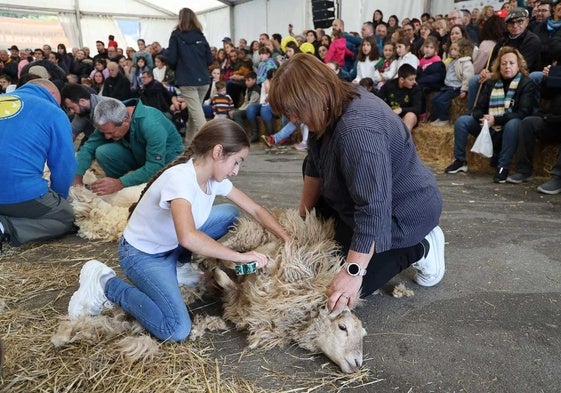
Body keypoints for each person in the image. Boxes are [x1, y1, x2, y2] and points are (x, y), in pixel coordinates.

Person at [67, 118, 290, 341]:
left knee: (229, 213)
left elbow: (255, 209)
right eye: (236, 162)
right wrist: (239, 257)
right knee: (175, 328)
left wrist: (286, 237)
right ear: (218, 152)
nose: (236, 171)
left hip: (171, 245)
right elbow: (187, 236)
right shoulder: (180, 180)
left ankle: (181, 265)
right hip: (144, 256)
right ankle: (105, 283)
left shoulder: (212, 178)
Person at [268, 53, 445, 313]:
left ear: (313, 97)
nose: (293, 119)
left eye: (295, 111)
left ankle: (422, 245)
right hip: (358, 197)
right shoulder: (331, 102)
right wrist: (302, 221)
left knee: (342, 293)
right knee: (322, 261)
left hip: (401, 212)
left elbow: (373, 207)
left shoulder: (357, 131)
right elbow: (314, 164)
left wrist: (353, 272)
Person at [0, 79, 76, 249]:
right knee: (64, 217)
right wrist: (59, 198)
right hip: (18, 192)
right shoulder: (52, 112)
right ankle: (5, 227)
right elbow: (65, 165)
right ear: (53, 95)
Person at [445, 47, 537, 183]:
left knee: (514, 123)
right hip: (488, 125)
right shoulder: (492, 82)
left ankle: (503, 167)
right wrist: (483, 117)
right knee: (462, 121)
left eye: (511, 63)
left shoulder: (526, 83)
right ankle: (460, 161)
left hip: (508, 129)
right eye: (504, 63)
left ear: (519, 65)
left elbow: (523, 112)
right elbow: (478, 108)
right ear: (499, 66)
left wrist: (496, 120)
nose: (507, 67)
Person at [73, 97, 184, 195]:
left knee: (158, 187)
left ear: (125, 121)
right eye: (104, 133)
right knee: (103, 152)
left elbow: (155, 165)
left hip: (166, 160)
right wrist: (77, 175)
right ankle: (120, 184)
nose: (107, 137)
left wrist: (120, 183)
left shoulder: (151, 125)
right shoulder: (110, 117)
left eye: (111, 133)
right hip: (139, 153)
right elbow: (88, 147)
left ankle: (124, 184)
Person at [507, 65, 561, 194]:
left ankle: (558, 177)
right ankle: (524, 170)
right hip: (553, 119)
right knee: (528, 123)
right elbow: (547, 95)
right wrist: (547, 79)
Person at [167, 7, 214, 140]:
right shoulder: (200, 35)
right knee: (195, 112)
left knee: (197, 115)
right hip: (204, 80)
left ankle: (213, 141)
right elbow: (210, 59)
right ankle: (190, 145)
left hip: (187, 80)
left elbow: (171, 59)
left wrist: (178, 67)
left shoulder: (176, 35)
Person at [430, 38, 475, 126]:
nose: (452, 51)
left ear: (462, 51)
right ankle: (439, 117)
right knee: (435, 99)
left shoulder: (465, 63)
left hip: (455, 87)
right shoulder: (451, 60)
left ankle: (444, 119)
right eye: (451, 49)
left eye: (455, 49)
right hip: (448, 86)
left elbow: (468, 77)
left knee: (442, 100)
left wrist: (464, 89)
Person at [377, 64, 422, 132]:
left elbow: (418, 108)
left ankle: (404, 140)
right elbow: (378, 99)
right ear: (401, 80)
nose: (414, 82)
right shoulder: (389, 85)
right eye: (411, 80)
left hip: (406, 115)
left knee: (410, 116)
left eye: (414, 79)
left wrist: (401, 109)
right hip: (391, 115)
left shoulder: (415, 89)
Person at [230, 72, 261, 142]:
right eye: (245, 80)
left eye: (248, 80)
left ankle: (252, 134)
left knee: (236, 113)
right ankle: (240, 134)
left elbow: (250, 104)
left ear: (254, 80)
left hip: (254, 109)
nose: (246, 82)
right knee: (236, 113)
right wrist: (238, 109)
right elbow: (245, 102)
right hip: (248, 108)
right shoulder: (248, 89)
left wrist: (239, 111)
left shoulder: (256, 90)